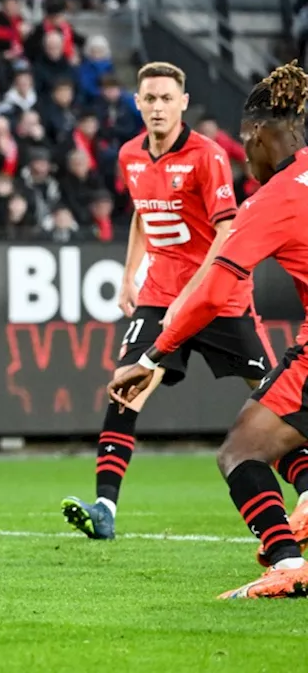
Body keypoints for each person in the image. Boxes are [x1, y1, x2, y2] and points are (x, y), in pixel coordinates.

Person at [62, 62, 291, 541]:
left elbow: (227, 230)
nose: (159, 107)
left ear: (183, 103)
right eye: (150, 99)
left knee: (273, 397)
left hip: (219, 299)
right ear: (138, 103)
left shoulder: (207, 156)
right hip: (159, 296)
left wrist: (196, 292)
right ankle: (104, 508)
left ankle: (307, 488)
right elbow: (144, 215)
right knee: (124, 387)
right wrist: (130, 277)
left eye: (168, 98)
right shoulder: (130, 156)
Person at [110, 62, 308, 599]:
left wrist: (152, 357)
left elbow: (215, 291)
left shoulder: (271, 200)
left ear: (267, 135)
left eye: (248, 141)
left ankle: (288, 564)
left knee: (241, 453)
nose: (246, 154)